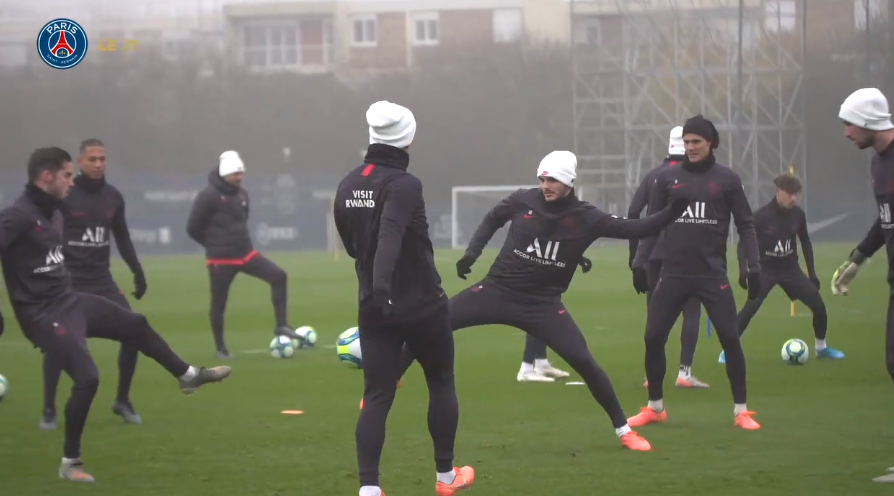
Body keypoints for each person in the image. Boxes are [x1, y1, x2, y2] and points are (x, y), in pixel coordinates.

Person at [400, 149, 692, 453]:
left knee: (585, 363)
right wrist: (473, 252)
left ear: (568, 181)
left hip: (542, 305)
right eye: (542, 178)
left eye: (552, 179)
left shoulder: (587, 217)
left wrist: (673, 211)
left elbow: (638, 227)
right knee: (435, 322)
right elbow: (493, 219)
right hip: (496, 290)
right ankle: (391, 378)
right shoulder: (522, 199)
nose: (545, 185)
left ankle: (624, 431)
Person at [0, 147, 231, 483]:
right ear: (47, 177)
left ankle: (187, 375)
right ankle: (71, 463)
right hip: (40, 315)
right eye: (67, 175)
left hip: (69, 301)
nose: (71, 181)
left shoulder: (54, 210)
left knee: (135, 323)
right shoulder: (17, 216)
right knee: (88, 378)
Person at [333, 100, 475, 496]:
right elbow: (390, 233)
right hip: (421, 303)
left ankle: (369, 489)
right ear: (408, 138)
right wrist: (385, 284)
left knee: (377, 394)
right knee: (441, 382)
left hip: (373, 308)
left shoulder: (348, 182)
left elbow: (350, 243)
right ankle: (446, 478)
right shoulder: (405, 184)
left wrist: (375, 291)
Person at [630, 114, 762, 431]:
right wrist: (639, 260)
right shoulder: (667, 179)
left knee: (730, 338)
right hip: (673, 274)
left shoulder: (727, 179)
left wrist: (752, 265)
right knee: (652, 337)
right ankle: (656, 408)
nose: (690, 147)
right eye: (687, 142)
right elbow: (652, 224)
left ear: (711, 144)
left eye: (696, 142)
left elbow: (746, 224)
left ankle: (741, 411)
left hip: (711, 275)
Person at [40, 138, 148, 430]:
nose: (98, 164)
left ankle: (122, 401)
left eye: (102, 158)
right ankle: (49, 408)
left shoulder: (113, 197)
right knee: (58, 340)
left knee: (134, 329)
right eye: (92, 159)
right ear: (79, 162)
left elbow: (122, 237)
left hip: (103, 282)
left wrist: (137, 271)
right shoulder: (64, 196)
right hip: (69, 283)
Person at [826, 88, 894, 484]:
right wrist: (858, 258)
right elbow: (884, 220)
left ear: (868, 122)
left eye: (848, 123)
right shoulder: (878, 165)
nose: (846, 133)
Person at [718, 173, 842, 363]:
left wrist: (812, 274)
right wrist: (744, 270)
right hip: (765, 270)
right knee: (750, 309)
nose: (794, 198)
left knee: (819, 306)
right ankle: (728, 350)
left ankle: (821, 348)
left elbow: (806, 243)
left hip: (791, 270)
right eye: (790, 193)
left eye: (796, 194)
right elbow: (743, 243)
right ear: (778, 192)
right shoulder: (761, 216)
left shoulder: (798, 215)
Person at [186, 151, 299, 358]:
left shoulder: (242, 194)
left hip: (246, 254)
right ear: (225, 173)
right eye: (236, 174)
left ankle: (281, 325)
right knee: (219, 304)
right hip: (220, 259)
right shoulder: (208, 196)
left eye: (241, 173)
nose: (240, 177)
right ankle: (221, 348)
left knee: (278, 276)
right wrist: (213, 245)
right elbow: (192, 228)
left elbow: (243, 219)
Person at [629, 125, 708, 389]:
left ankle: (651, 376)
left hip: (653, 254)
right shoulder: (695, 176)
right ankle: (684, 373)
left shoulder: (654, 175)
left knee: (655, 316)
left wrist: (635, 257)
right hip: (687, 253)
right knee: (692, 312)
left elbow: (633, 212)